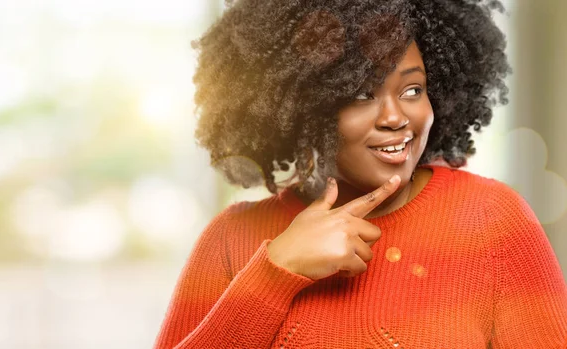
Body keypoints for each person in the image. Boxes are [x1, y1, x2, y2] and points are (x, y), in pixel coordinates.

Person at [154, 0, 567, 347]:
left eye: (412, 90)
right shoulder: (232, 240)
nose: (395, 117)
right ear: (299, 106)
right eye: (359, 94)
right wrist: (275, 270)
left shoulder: (491, 221)